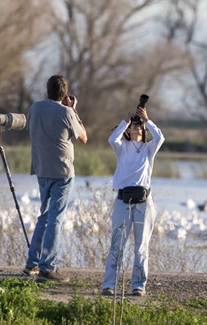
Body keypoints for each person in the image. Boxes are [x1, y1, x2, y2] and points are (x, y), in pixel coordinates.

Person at [24, 75, 87, 282]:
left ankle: (31, 263)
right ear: (64, 92)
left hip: (42, 168)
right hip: (62, 172)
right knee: (56, 219)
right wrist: (74, 110)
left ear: (47, 89)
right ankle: (47, 266)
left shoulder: (35, 108)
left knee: (44, 215)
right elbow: (83, 138)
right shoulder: (67, 112)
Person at [100, 106, 164, 297]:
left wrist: (148, 120)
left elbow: (160, 138)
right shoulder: (121, 148)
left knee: (141, 246)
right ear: (128, 130)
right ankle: (109, 284)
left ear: (144, 130)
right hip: (123, 200)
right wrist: (125, 121)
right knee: (117, 245)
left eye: (139, 125)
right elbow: (112, 139)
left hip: (144, 202)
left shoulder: (149, 149)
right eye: (133, 126)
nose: (136, 127)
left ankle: (138, 285)